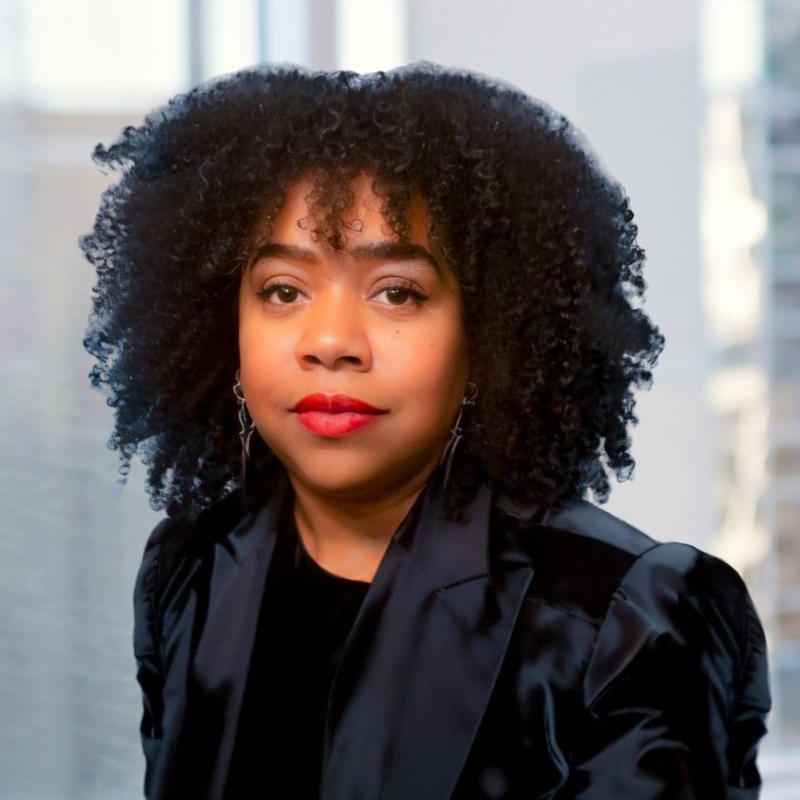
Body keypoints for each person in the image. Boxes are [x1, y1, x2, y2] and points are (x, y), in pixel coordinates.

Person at [80, 62, 771, 799]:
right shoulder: (190, 569)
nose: (331, 341)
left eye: (397, 292)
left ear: (491, 335)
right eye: (283, 290)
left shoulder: (634, 614)